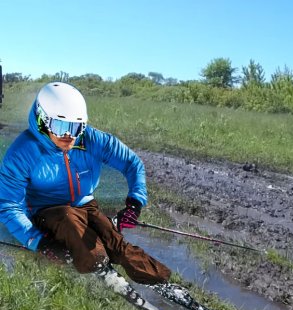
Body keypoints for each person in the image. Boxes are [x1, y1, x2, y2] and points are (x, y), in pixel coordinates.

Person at [0, 81, 170, 285]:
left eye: (76, 127)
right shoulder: (23, 151)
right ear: (42, 120)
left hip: (85, 205)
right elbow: (10, 205)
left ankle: (165, 282)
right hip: (48, 211)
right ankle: (97, 263)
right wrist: (38, 242)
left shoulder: (91, 139)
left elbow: (131, 163)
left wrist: (135, 202)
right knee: (89, 248)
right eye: (61, 126)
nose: (68, 136)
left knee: (117, 245)